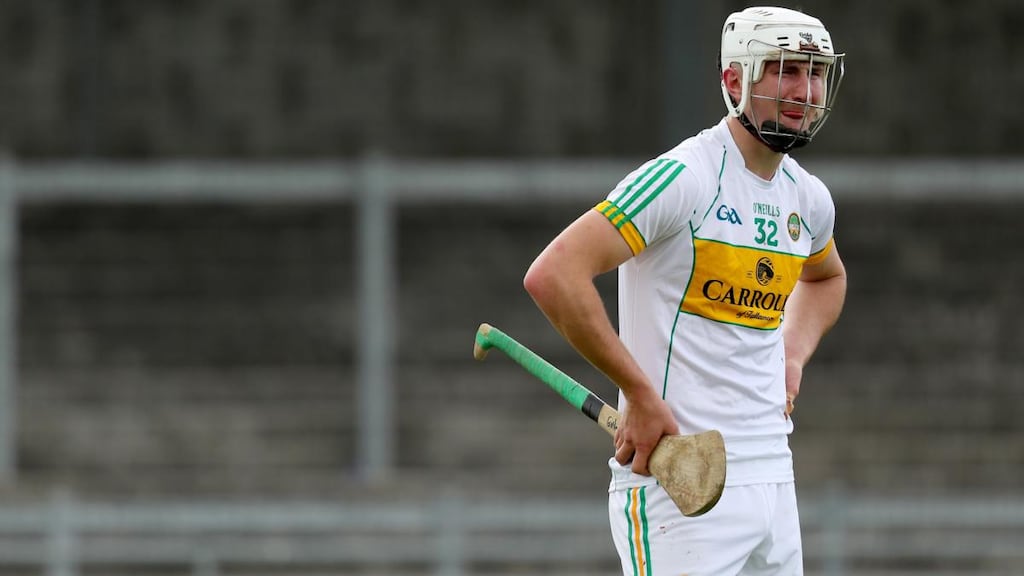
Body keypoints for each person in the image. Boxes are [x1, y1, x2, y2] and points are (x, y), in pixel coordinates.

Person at [522, 6, 847, 575]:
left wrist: (793, 355)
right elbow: (554, 274)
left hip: (773, 476)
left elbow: (827, 279)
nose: (805, 90)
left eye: (815, 72)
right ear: (734, 81)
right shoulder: (684, 178)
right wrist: (639, 393)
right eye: (785, 70)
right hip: (679, 485)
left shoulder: (807, 197)